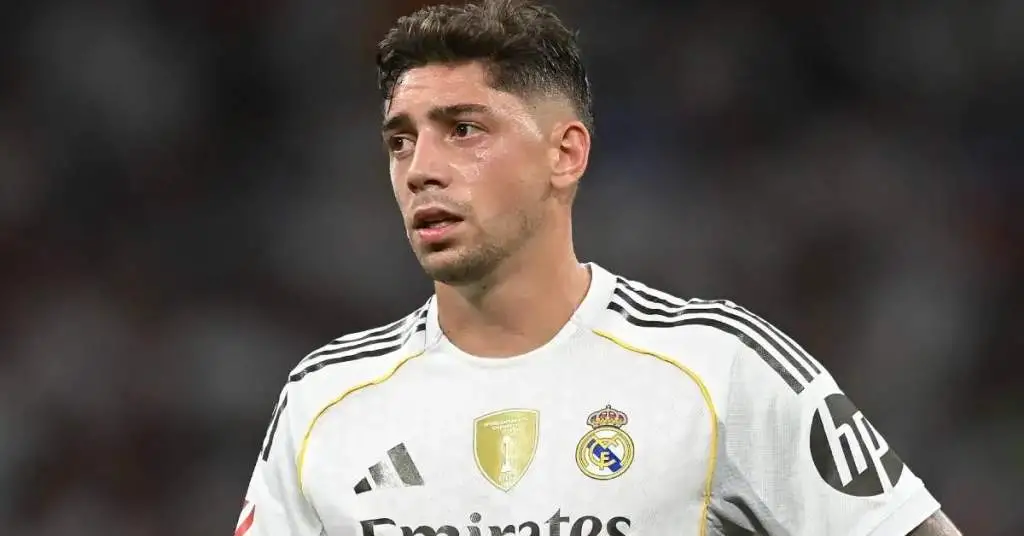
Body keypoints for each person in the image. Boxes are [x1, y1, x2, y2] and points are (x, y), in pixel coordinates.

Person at [236, 1, 961, 534]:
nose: (421, 168)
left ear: (566, 154)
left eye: (464, 129)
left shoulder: (717, 368)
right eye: (401, 141)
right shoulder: (323, 402)